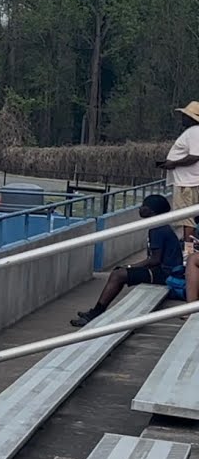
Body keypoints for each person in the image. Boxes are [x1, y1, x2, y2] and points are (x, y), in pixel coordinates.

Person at [71, 194, 182, 327]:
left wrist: (130, 266)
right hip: (163, 270)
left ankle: (95, 313)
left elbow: (154, 260)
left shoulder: (158, 230)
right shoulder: (160, 226)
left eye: (143, 206)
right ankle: (96, 311)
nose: (140, 209)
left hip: (166, 274)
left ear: (152, 211)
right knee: (120, 272)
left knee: (118, 275)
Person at [158, 101, 199, 251]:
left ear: (192, 118)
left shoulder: (194, 131)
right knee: (188, 219)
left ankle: (188, 253)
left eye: (185, 115)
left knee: (187, 219)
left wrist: (173, 163)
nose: (182, 118)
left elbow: (194, 156)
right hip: (188, 181)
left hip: (188, 183)